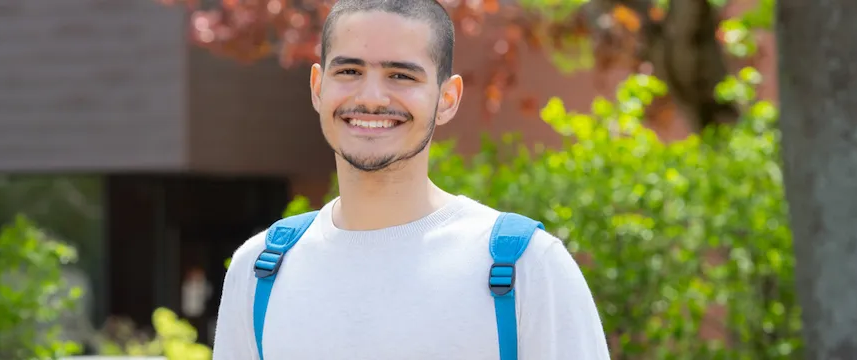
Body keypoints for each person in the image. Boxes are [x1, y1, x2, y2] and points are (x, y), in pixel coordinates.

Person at [209, 0, 611, 359]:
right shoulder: (260, 271)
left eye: (401, 76)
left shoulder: (525, 266)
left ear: (447, 99)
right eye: (349, 71)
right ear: (318, 87)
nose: (371, 97)